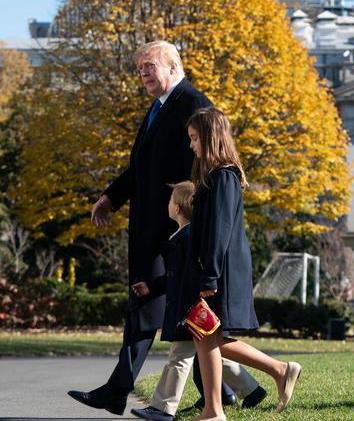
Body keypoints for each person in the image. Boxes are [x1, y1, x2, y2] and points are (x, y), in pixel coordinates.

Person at [67, 40, 238, 416]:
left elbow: (200, 170)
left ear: (174, 67)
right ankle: (231, 390)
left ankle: (118, 390)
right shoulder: (160, 107)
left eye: (149, 66)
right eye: (140, 68)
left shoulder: (193, 104)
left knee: (152, 308)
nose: (142, 74)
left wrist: (182, 220)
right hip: (154, 227)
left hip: (171, 230)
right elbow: (142, 168)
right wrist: (111, 196)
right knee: (181, 315)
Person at [180, 107, 301, 421]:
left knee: (206, 335)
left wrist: (209, 276)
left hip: (220, 270)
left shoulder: (223, 176)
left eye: (194, 138)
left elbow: (219, 230)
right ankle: (279, 370)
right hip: (216, 268)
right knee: (210, 336)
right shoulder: (215, 177)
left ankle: (215, 409)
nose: (191, 145)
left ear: (210, 137)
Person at [129, 182, 266, 421]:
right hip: (190, 309)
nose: (167, 205)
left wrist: (186, 307)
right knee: (210, 356)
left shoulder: (189, 237)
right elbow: (175, 275)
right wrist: (152, 286)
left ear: (179, 208)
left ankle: (162, 408)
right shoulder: (182, 236)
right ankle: (251, 390)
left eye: (170, 200)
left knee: (179, 357)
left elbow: (189, 275)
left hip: (190, 309)